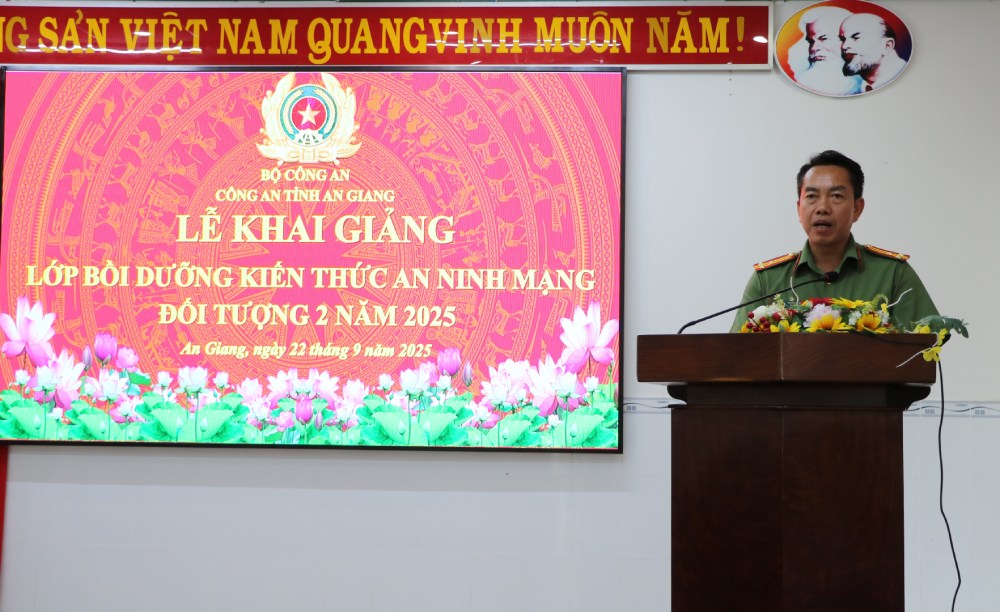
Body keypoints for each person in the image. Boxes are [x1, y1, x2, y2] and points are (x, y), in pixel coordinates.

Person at [730, 150, 937, 332]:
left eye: (836, 196)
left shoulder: (892, 274)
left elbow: (925, 344)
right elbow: (739, 351)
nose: (822, 208)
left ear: (857, 208)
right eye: (812, 196)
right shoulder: (768, 281)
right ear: (799, 208)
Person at [793, 6, 863, 96]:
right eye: (811, 41)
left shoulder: (865, 86)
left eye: (824, 38)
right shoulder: (802, 84)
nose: (813, 48)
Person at [840, 13, 907, 92]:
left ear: (887, 46)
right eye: (842, 39)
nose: (844, 46)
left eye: (856, 38)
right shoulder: (857, 89)